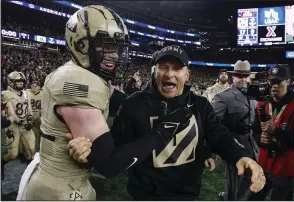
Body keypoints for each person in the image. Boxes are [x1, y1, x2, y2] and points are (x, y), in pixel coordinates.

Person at [24, 6, 190, 200]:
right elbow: (109, 164)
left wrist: (154, 100)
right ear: (80, 44)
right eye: (106, 45)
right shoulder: (77, 80)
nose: (115, 54)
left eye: (117, 47)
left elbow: (123, 102)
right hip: (59, 189)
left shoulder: (86, 74)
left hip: (69, 182)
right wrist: (163, 131)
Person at [67, 46, 266, 200]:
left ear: (187, 75)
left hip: (188, 196)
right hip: (145, 197)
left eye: (177, 68)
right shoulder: (134, 105)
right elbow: (114, 151)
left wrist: (240, 155)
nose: (170, 74)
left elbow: (219, 135)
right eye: (163, 67)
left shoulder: (200, 105)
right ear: (154, 72)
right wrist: (88, 152)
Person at [211, 60, 259, 201]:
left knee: (250, 180)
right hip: (234, 145)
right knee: (235, 184)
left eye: (246, 76)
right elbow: (213, 124)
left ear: (250, 77)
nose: (243, 79)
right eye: (239, 75)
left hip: (252, 144)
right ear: (233, 78)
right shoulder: (223, 97)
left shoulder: (253, 96)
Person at [249, 65, 294, 200]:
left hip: (284, 168)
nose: (274, 86)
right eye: (272, 82)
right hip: (263, 164)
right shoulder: (263, 105)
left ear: (288, 82)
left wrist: (276, 131)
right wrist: (260, 140)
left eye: (278, 82)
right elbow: (256, 131)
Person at [2, 71, 35, 166]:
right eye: (17, 81)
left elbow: (29, 108)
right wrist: (17, 120)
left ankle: (29, 170)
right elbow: (6, 111)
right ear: (11, 82)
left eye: (22, 81)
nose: (20, 83)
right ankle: (2, 163)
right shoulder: (5, 94)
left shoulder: (26, 93)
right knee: (13, 155)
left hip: (25, 125)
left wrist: (29, 119)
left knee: (32, 151)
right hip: (13, 126)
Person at [26, 81, 42, 152]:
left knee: (42, 132)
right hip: (30, 116)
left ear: (39, 87)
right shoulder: (28, 93)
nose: (32, 87)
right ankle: (34, 149)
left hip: (39, 116)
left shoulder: (43, 94)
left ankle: (41, 147)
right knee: (32, 133)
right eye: (32, 86)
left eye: (35, 86)